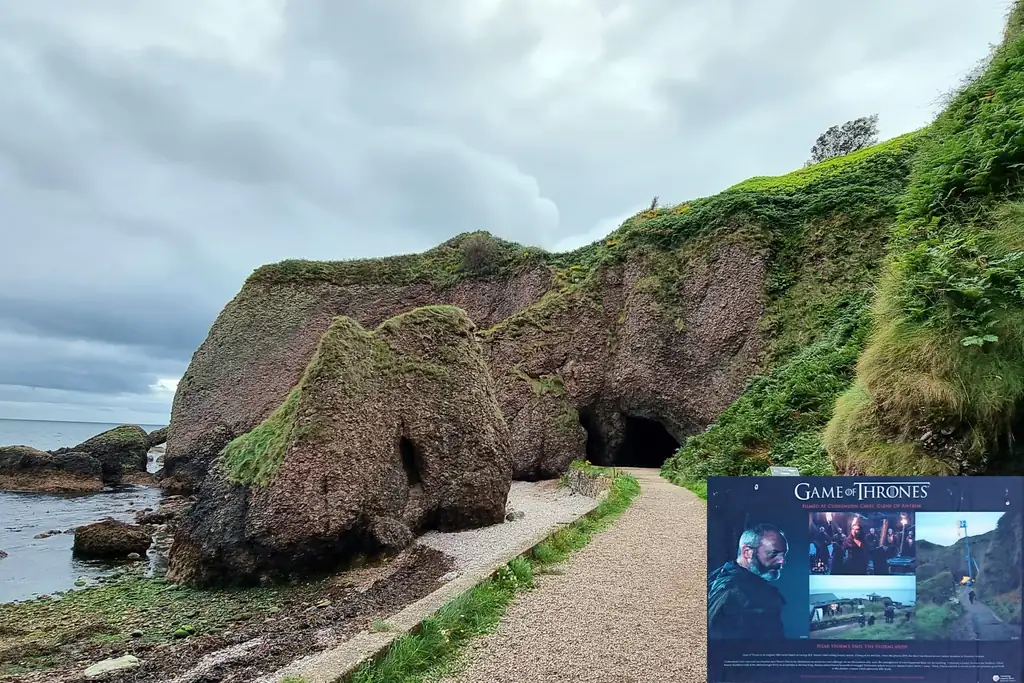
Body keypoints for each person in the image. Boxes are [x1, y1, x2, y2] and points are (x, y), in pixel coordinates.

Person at [708, 523, 789, 639]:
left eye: (783, 554)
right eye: (774, 553)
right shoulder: (739, 592)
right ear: (747, 552)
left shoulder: (718, 577)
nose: (782, 561)